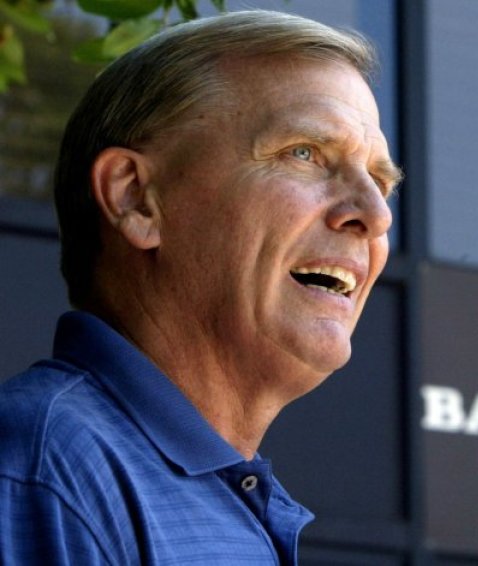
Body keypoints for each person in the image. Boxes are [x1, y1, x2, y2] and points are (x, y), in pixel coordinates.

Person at [0, 10, 401, 564]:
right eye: (304, 153)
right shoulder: (45, 469)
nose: (375, 215)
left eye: (380, 181)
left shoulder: (217, 495)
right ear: (136, 198)